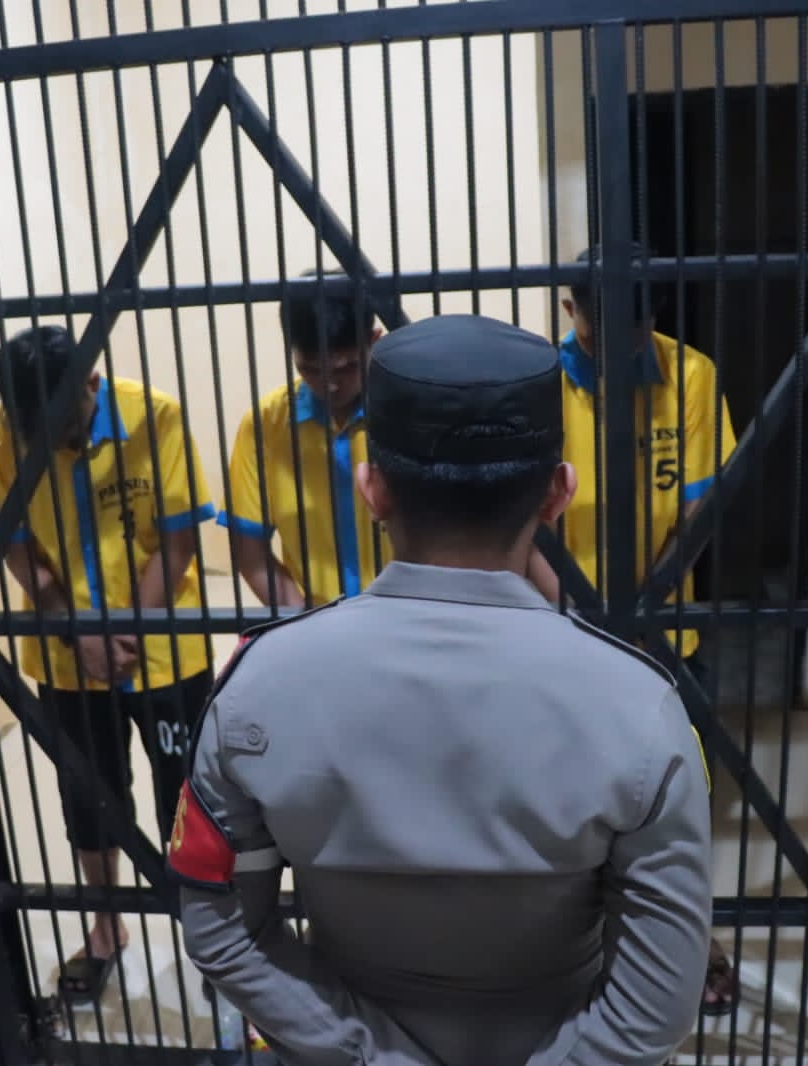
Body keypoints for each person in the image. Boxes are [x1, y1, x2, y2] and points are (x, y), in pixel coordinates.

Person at [171, 314, 714, 1065]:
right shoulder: (640, 710)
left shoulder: (255, 690)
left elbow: (224, 932)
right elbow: (656, 1007)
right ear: (558, 492)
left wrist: (368, 1055)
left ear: (371, 489)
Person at [0, 324, 217, 1004]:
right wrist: (72, 625)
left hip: (166, 646)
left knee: (188, 796)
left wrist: (122, 628)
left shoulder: (154, 416)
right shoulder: (2, 433)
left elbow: (177, 543)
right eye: (40, 432)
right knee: (88, 797)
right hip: (65, 653)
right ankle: (107, 928)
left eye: (67, 423)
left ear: (91, 382)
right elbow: (13, 543)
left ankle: (206, 931)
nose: (57, 441)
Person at [527, 244, 740, 1015]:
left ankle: (691, 938)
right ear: (568, 312)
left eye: (635, 336)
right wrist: (581, 619)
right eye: (599, 337)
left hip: (664, 634)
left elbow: (698, 511)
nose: (620, 356)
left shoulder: (690, 375)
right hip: (559, 634)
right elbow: (521, 521)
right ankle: (578, 950)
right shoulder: (535, 389)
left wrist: (646, 608)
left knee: (677, 808)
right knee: (567, 809)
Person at [219, 270, 390, 606]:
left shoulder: (411, 413)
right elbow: (250, 555)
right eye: (310, 369)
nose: (330, 384)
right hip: (314, 619)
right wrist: (304, 623)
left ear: (374, 340)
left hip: (409, 619)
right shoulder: (265, 425)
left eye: (346, 367)